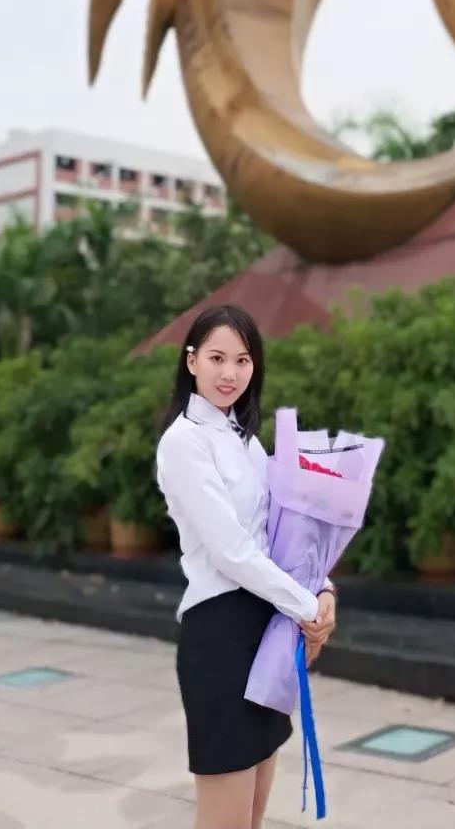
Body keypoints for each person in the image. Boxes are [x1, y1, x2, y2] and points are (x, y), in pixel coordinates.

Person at [155, 303, 339, 829]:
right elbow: (231, 551)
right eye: (217, 358)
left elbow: (280, 529)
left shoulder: (245, 439)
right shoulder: (183, 442)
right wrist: (306, 606)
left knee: (253, 815)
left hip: (266, 629)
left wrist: (322, 588)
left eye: (242, 360)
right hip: (220, 635)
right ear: (191, 361)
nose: (230, 373)